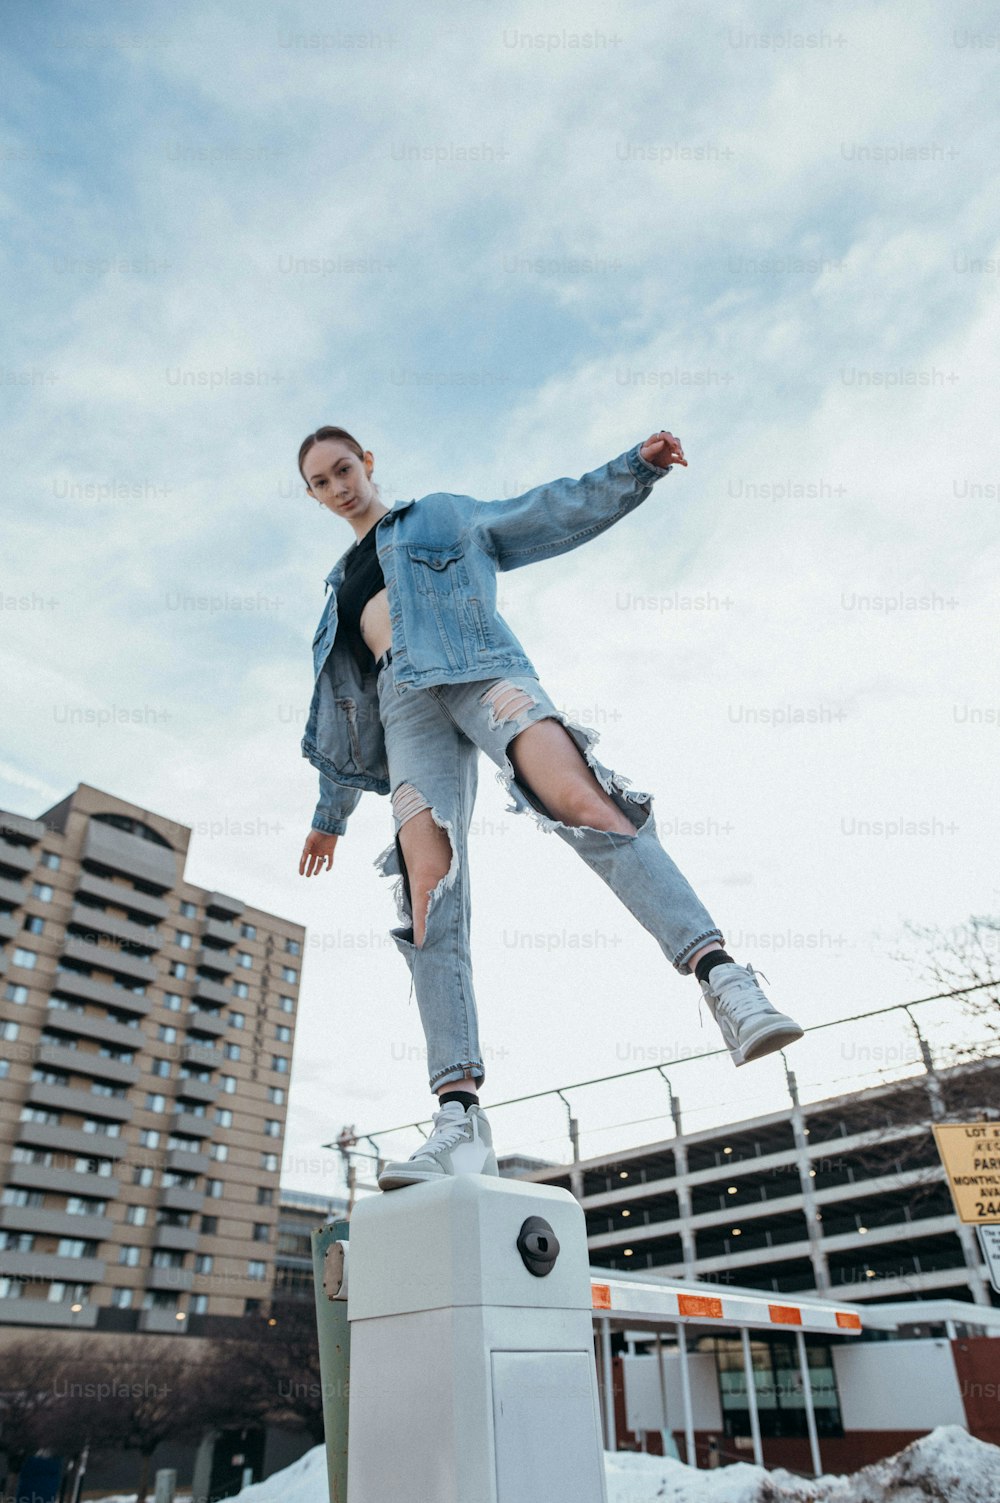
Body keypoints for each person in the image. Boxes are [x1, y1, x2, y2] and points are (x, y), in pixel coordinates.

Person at [296, 425, 804, 1191]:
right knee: (428, 890)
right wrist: (328, 815)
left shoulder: (437, 516)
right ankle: (459, 1114)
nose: (339, 488)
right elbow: (342, 708)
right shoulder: (337, 591)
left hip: (476, 668)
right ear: (313, 496)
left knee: (576, 795)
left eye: (344, 469)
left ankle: (726, 978)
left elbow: (542, 511)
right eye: (321, 483)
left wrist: (635, 470)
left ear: (368, 462)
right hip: (404, 711)